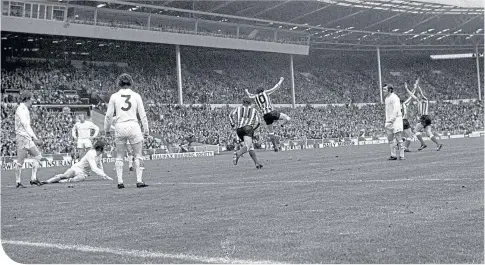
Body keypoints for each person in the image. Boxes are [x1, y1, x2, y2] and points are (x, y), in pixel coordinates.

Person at [104, 73, 149, 189]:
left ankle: (120, 182)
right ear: (131, 83)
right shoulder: (136, 96)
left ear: (119, 83)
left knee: (119, 155)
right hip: (133, 125)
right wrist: (146, 130)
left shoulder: (114, 96)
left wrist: (107, 129)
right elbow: (142, 114)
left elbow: (109, 116)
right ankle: (139, 180)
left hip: (120, 126)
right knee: (138, 154)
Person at [245, 77, 290, 152]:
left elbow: (249, 95)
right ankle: (281, 124)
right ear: (263, 90)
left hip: (265, 116)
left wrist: (246, 91)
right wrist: (281, 80)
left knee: (271, 132)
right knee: (287, 118)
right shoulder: (265, 92)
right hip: (271, 112)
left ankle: (275, 146)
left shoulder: (255, 96)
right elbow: (275, 87)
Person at [41, 141, 113, 184]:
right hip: (77, 168)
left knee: (79, 179)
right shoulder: (91, 153)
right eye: (104, 147)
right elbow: (94, 168)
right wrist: (105, 176)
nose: (105, 148)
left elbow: (100, 165)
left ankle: (62, 181)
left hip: (84, 173)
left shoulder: (99, 155)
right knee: (66, 175)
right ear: (100, 148)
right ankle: (47, 181)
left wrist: (103, 175)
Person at [14, 91, 43, 188]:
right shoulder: (21, 109)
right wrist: (35, 138)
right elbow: (25, 125)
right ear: (27, 99)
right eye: (31, 98)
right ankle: (18, 182)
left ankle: (33, 179)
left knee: (38, 156)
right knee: (20, 161)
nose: (32, 100)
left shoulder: (24, 109)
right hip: (22, 137)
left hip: (26, 137)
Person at [405, 80, 443, 151]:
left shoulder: (425, 99)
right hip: (427, 118)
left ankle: (423, 144)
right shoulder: (419, 100)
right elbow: (411, 95)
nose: (418, 95)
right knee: (428, 133)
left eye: (418, 95)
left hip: (424, 118)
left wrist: (417, 86)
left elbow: (421, 93)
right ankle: (438, 144)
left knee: (415, 130)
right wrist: (407, 89)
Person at [229, 98, 263, 169]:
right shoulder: (254, 110)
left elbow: (230, 115)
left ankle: (257, 163)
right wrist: (253, 129)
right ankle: (238, 153)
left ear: (243, 102)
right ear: (250, 103)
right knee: (248, 146)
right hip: (248, 128)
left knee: (250, 147)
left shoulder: (238, 108)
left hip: (239, 130)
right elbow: (259, 121)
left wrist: (233, 124)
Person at [383, 84, 405, 160]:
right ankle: (393, 155)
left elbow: (396, 110)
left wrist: (392, 119)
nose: (383, 91)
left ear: (389, 90)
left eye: (385, 89)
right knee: (390, 139)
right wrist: (387, 120)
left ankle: (402, 155)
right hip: (389, 121)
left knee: (399, 138)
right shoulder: (386, 99)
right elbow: (387, 111)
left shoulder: (395, 98)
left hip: (396, 120)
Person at [401, 81, 417, 152]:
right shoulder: (404, 104)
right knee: (410, 135)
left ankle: (405, 147)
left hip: (401, 121)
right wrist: (414, 88)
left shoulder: (395, 106)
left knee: (407, 135)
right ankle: (402, 146)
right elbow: (411, 97)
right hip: (404, 121)